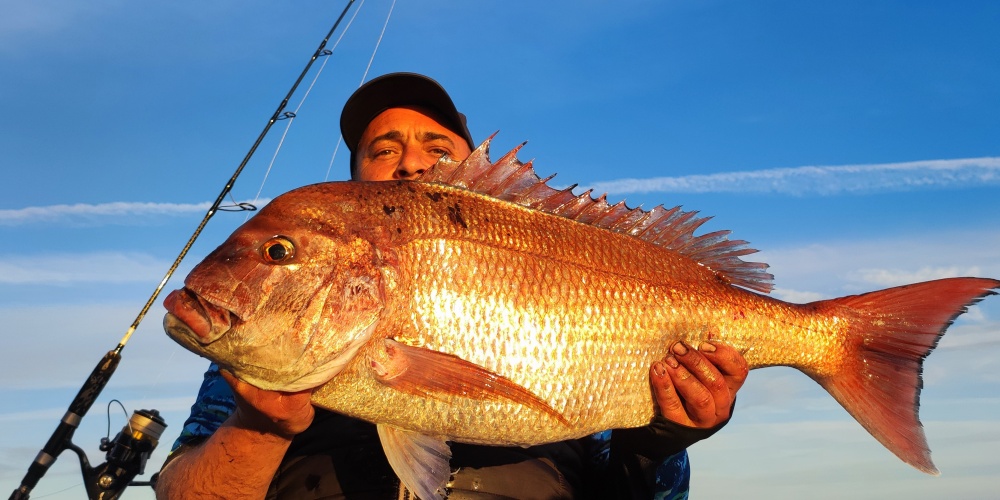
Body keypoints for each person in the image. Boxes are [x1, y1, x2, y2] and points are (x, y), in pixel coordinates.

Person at [155, 73, 749, 499]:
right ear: (358, 181)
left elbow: (649, 492)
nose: (411, 163)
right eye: (382, 149)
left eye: (437, 148)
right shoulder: (254, 360)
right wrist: (259, 426)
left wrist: (660, 442)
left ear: (474, 170)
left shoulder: (561, 251)